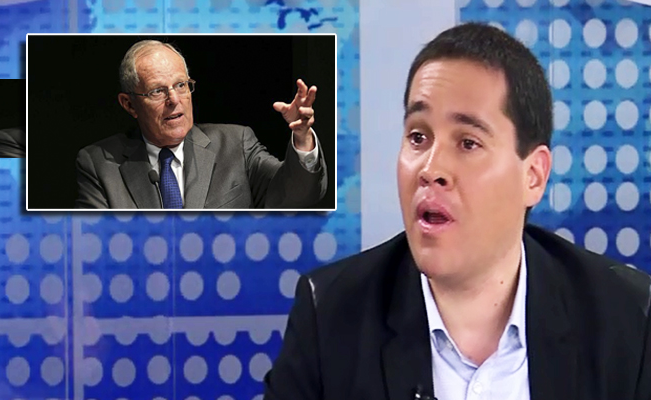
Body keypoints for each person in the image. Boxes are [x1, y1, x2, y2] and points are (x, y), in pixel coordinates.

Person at [264, 22, 651, 400]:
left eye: (468, 142)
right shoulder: (330, 318)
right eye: (418, 136)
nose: (431, 169)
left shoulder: (626, 320)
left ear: (533, 176)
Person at [75, 40, 327, 209]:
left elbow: (297, 197)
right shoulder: (99, 165)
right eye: (157, 91)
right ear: (129, 105)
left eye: (181, 85)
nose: (174, 100)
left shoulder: (235, 144)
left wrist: (302, 137)